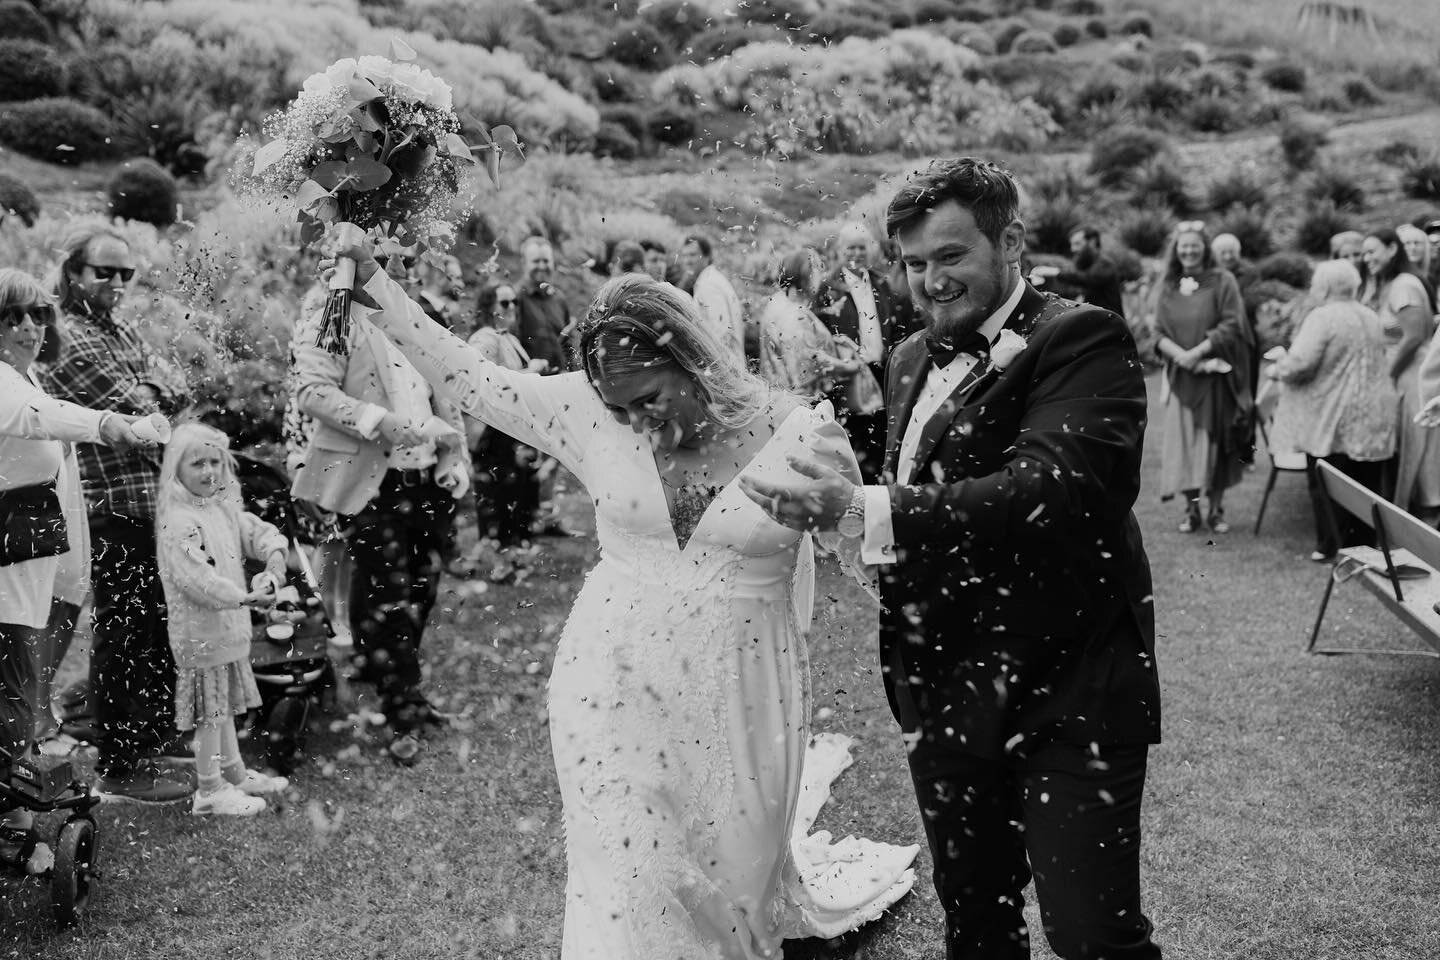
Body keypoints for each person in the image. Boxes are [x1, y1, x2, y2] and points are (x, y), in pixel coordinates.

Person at [336, 245, 918, 958]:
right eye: (620, 408)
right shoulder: (589, 411)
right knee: (624, 875)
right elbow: (475, 380)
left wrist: (862, 526)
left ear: (695, 361)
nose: (637, 422)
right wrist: (376, 282)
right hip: (609, 683)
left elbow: (876, 568)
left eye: (649, 399)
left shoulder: (801, 435)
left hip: (745, 694)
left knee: (734, 888)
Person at [740, 157, 1163, 960]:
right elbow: (921, 508)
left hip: (1066, 687)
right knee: (975, 920)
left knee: (1091, 934)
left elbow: (1054, 491)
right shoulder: (905, 361)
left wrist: (867, 507)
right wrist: (851, 525)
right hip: (942, 688)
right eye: (912, 263)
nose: (927, 281)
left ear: (1010, 240)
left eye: (950, 256)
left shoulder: (1083, 339)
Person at [0, 268, 152, 873]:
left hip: (43, 557)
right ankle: (11, 824)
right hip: (9, 560)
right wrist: (107, 423)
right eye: (11, 317)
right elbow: (35, 416)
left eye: (37, 316)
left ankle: (15, 795)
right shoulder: (8, 386)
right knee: (12, 683)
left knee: (27, 687)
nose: (27, 328)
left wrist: (73, 579)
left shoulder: (25, 374)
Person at [38, 223, 194, 805]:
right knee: (125, 629)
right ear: (74, 274)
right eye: (104, 271)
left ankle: (146, 740)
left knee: (151, 623)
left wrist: (153, 394)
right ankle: (121, 763)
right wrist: (151, 394)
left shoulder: (120, 328)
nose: (118, 282)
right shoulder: (71, 337)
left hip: (147, 500)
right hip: (111, 504)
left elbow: (173, 395)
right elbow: (140, 413)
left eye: (127, 273)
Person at [290, 267, 471, 766]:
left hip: (427, 482)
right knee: (387, 595)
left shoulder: (417, 317)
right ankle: (401, 708)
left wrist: (455, 458)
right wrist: (378, 421)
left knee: (422, 587)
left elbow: (447, 391)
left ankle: (383, 675)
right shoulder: (334, 317)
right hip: (375, 484)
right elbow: (312, 390)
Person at [156, 423, 291, 816]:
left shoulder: (221, 507)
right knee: (211, 715)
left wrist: (275, 556)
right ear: (176, 470)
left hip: (227, 632)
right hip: (200, 635)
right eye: (197, 463)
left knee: (224, 707)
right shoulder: (178, 521)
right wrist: (244, 596)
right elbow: (197, 580)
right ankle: (209, 790)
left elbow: (257, 532)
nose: (209, 471)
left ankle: (234, 773)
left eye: (216, 461)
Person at [1268, 260, 1397, 560]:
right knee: (1367, 481)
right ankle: (1365, 545)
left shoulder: (1322, 317)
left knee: (1329, 480)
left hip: (1334, 413)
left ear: (1324, 287)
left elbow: (1301, 363)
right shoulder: (1369, 314)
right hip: (1374, 412)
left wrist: (1278, 368)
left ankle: (1331, 545)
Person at [1151, 221, 1254, 534]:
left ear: (1205, 248)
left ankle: (1216, 509)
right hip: (1182, 379)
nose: (1189, 250)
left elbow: (1232, 324)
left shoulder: (1223, 280)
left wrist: (1195, 354)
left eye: (1195, 245)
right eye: (1184, 245)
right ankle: (1192, 509)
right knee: (1186, 445)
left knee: (1215, 442)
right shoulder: (1167, 283)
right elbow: (1155, 331)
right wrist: (1180, 356)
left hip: (1214, 378)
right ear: (1176, 249)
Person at [813, 221, 915, 482]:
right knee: (852, 442)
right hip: (849, 377)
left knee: (882, 438)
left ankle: (879, 490)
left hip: (882, 373)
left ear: (869, 250)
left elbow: (902, 325)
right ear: (840, 251)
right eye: (850, 248)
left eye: (861, 247)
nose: (856, 254)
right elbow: (818, 334)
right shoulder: (828, 289)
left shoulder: (884, 284)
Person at [1363, 227, 1440, 522]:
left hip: (1412, 376)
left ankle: (1422, 518)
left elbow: (1414, 335)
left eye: (1372, 251)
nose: (1367, 257)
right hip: (1404, 373)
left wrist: (1390, 375)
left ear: (1392, 249)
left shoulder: (1404, 285)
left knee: (1417, 449)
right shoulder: (1393, 283)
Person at [467, 282, 542, 554]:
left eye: (514, 302)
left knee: (518, 494)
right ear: (489, 308)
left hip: (514, 432)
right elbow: (479, 382)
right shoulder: (485, 338)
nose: (512, 308)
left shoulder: (508, 336)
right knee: (498, 498)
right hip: (494, 435)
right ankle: (499, 559)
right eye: (505, 303)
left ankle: (515, 552)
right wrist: (530, 372)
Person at [755, 248, 858, 401]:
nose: (821, 275)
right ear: (805, 274)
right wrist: (851, 366)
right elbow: (809, 369)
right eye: (817, 268)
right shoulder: (797, 317)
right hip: (805, 402)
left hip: (778, 396)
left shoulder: (777, 301)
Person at [679, 233, 745, 362]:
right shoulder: (711, 279)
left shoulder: (708, 284)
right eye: (684, 256)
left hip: (725, 367)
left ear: (707, 256)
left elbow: (723, 333)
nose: (687, 261)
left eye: (692, 255)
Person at [514, 236, 572, 373]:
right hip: (531, 382)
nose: (542, 266)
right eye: (535, 261)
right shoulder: (515, 298)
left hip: (561, 380)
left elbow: (568, 340)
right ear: (524, 263)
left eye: (546, 261)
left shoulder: (559, 298)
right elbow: (510, 345)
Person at [1049, 225, 1126, 318]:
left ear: (1092, 242)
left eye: (1077, 244)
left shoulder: (1105, 263)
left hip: (1111, 325)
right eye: (1072, 244)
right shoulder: (1087, 264)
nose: (1072, 249)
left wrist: (1055, 272)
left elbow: (1088, 278)